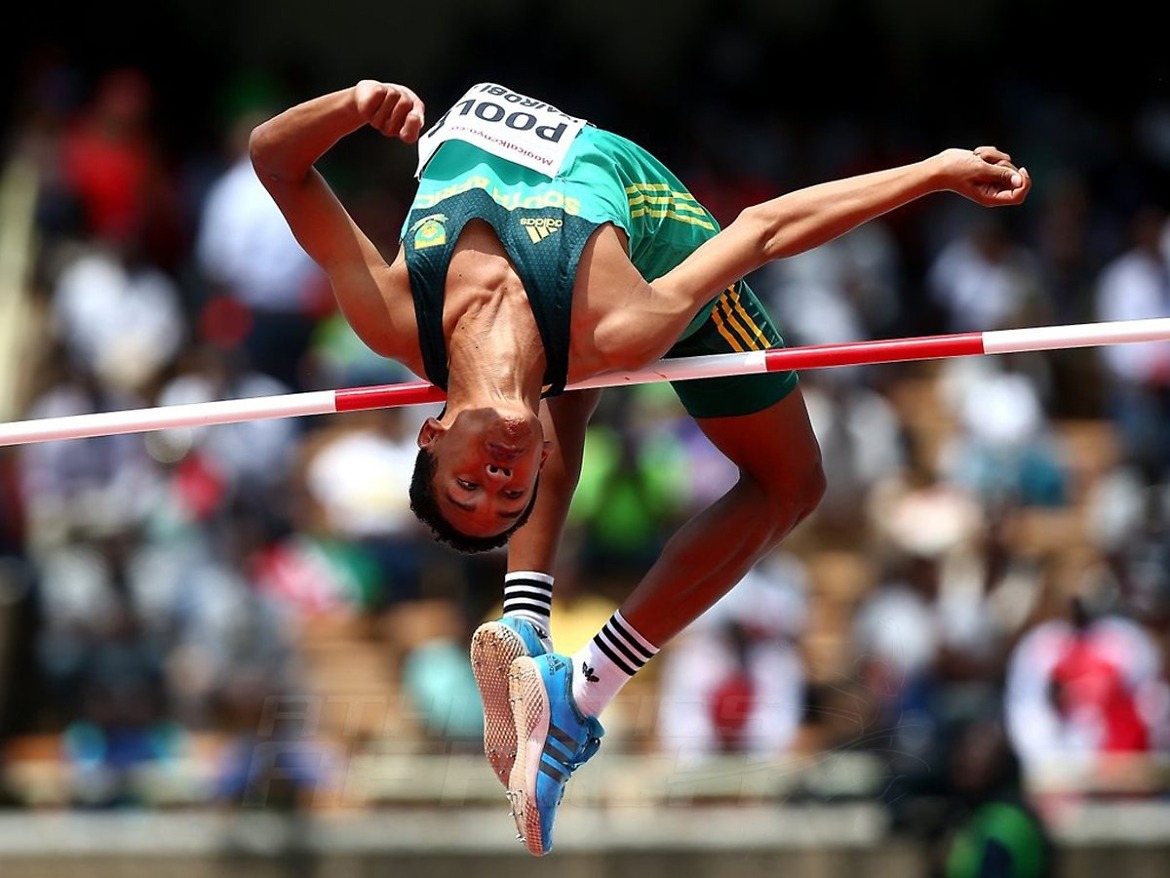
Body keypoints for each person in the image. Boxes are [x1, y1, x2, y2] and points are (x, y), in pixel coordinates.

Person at [250, 79, 1032, 855]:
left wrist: (352, 106)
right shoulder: (626, 324)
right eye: (508, 491)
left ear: (430, 434)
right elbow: (760, 228)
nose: (497, 472)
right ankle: (581, 690)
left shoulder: (393, 314)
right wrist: (932, 173)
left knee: (557, 385)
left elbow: (275, 161)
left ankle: (530, 631)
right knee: (787, 482)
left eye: (470, 483)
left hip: (558, 273)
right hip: (664, 256)